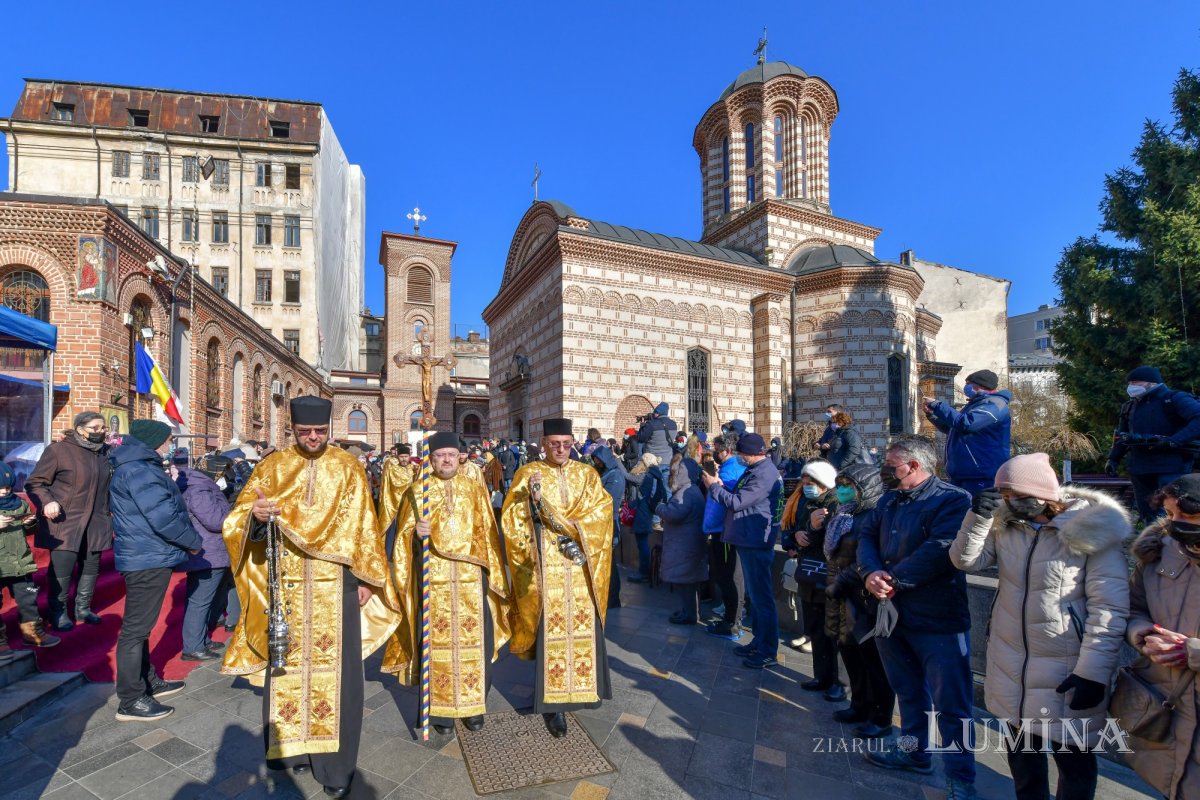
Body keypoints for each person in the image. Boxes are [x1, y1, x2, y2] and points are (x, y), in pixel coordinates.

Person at [220, 397, 399, 798]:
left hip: (338, 586)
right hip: (286, 587)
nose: (313, 438)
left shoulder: (348, 467)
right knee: (285, 665)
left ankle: (336, 765)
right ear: (293, 430)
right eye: (305, 433)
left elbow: (364, 528)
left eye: (319, 432)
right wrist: (256, 517)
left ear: (329, 429)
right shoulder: (273, 466)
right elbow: (237, 518)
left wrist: (367, 578)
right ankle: (290, 749)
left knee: (341, 675)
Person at [950, 453, 1131, 800]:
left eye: (1013, 493)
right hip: (1011, 663)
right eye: (1002, 494)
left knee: (1074, 765)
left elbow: (1109, 607)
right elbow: (965, 560)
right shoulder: (1005, 524)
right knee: (1024, 763)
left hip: (1068, 669)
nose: (1007, 501)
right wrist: (978, 517)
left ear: (1041, 492)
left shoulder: (1091, 530)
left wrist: (1093, 673)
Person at [857, 435, 975, 797]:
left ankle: (960, 778)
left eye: (891, 466)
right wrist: (870, 573)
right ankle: (914, 751)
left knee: (952, 705)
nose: (885, 472)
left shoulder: (953, 500)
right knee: (907, 690)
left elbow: (941, 549)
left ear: (914, 466)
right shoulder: (890, 500)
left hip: (937, 618)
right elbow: (867, 535)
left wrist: (894, 580)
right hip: (890, 614)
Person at [381, 431, 510, 733]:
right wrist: (416, 535)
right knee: (434, 644)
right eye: (441, 455)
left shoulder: (474, 489)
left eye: (452, 454)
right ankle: (438, 712)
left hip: (469, 579)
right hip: (433, 579)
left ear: (460, 456)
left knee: (475, 643)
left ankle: (473, 706)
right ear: (431, 458)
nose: (447, 460)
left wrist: (491, 573)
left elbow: (488, 533)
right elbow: (400, 543)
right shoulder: (417, 491)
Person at [500, 418, 614, 738]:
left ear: (573, 442)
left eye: (566, 444)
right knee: (552, 634)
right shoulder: (527, 475)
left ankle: (584, 692)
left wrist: (575, 527)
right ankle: (553, 709)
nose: (561, 450)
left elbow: (602, 513)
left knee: (582, 630)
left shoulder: (587, 475)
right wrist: (533, 506)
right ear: (543, 443)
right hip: (546, 567)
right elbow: (510, 520)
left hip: (580, 570)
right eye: (554, 444)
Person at [109, 420, 204, 722]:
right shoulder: (139, 469)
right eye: (168, 440)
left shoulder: (140, 466)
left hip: (148, 554)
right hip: (146, 557)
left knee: (142, 627)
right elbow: (161, 516)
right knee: (136, 630)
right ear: (155, 441)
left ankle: (147, 681)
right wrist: (192, 543)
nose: (170, 445)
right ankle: (131, 699)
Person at [1120, 474, 1200, 798]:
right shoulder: (1157, 552)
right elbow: (1133, 609)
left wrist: (1193, 651)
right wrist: (1144, 636)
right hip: (1170, 710)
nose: (1175, 524)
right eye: (1169, 515)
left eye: (1188, 516)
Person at [25, 411, 114, 631]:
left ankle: (83, 608)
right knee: (62, 569)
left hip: (96, 521)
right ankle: (58, 611)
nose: (101, 432)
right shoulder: (58, 451)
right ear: (80, 429)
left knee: (91, 567)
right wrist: (47, 502)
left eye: (103, 428)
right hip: (65, 522)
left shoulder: (106, 454)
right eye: (96, 428)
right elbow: (35, 483)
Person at [701, 432, 783, 669]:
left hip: (756, 542)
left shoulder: (764, 475)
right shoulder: (755, 470)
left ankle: (768, 651)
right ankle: (758, 642)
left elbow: (737, 503)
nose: (739, 457)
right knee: (756, 599)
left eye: (741, 454)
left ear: (752, 454)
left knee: (762, 599)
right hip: (748, 539)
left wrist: (713, 488)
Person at [822, 463, 892, 738]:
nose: (841, 490)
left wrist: (842, 581)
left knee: (872, 660)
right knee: (849, 652)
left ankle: (880, 716)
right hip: (841, 595)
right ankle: (858, 705)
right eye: (840, 485)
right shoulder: (842, 515)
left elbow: (869, 557)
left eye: (848, 486)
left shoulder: (873, 516)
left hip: (863, 598)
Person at [780, 459, 842, 697]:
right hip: (809, 571)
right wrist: (797, 534)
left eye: (810, 482)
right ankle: (821, 676)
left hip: (827, 573)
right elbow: (800, 528)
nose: (806, 486)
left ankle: (837, 682)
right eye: (805, 482)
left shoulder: (835, 503)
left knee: (832, 631)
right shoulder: (809, 502)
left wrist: (814, 530)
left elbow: (833, 540)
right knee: (815, 627)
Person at [1107, 366, 1200, 521]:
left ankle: (1175, 542)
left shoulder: (1174, 398)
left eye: (1136, 382)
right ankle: (1154, 542)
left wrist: (1173, 441)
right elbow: (1122, 436)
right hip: (1140, 468)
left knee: (1173, 511)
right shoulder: (1130, 406)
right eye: (1130, 383)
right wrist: (1113, 458)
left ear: (1152, 383)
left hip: (1172, 465)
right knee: (1148, 514)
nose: (1132, 387)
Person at [174, 450, 233, 662]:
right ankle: (193, 647)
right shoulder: (199, 489)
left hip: (212, 550)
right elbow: (214, 521)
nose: (222, 477)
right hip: (207, 552)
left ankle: (202, 641)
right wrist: (235, 515)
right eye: (220, 472)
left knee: (207, 601)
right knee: (199, 602)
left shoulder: (202, 486)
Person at [0, 462, 59, 656]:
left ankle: (32, 632)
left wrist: (30, 523)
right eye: (0, 488)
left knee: (29, 597)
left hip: (21, 562)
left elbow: (29, 532)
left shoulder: (19, 503)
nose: (4, 491)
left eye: (8, 487)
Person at [923, 369, 1012, 495]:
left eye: (969, 383)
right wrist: (932, 416)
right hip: (962, 476)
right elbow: (954, 429)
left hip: (981, 478)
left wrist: (938, 405)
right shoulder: (975, 404)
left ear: (980, 385)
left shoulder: (995, 405)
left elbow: (966, 423)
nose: (966, 387)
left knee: (977, 513)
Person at [703, 435, 746, 639]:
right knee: (725, 575)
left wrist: (714, 484)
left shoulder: (733, 468)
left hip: (725, 530)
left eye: (717, 450)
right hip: (721, 529)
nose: (715, 454)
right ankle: (731, 618)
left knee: (729, 577)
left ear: (727, 451)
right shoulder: (730, 466)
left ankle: (732, 622)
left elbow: (728, 497)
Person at [656, 456, 708, 625]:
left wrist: (658, 507)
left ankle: (690, 614)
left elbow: (674, 513)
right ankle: (690, 611)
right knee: (689, 582)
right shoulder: (693, 489)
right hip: (688, 542)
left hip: (684, 544)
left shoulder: (686, 492)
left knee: (686, 583)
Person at [617, 452, 667, 584]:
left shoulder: (646, 477)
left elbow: (628, 477)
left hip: (643, 515)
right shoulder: (655, 476)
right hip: (646, 513)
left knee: (643, 545)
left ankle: (644, 572)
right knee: (642, 544)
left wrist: (617, 461)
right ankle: (644, 571)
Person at [592, 446, 626, 610]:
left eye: (598, 460)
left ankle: (613, 598)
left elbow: (609, 501)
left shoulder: (616, 476)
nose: (596, 463)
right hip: (600, 523)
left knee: (610, 564)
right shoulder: (605, 473)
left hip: (610, 523)